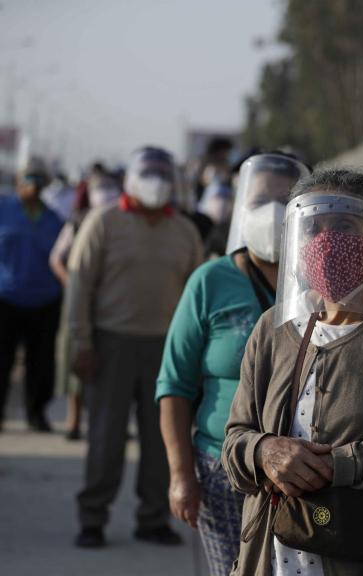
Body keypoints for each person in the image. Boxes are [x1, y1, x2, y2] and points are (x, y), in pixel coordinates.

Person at [222, 169, 363, 576]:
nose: (326, 241)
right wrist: (264, 452)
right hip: (271, 558)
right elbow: (235, 441)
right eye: (313, 228)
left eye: (343, 225)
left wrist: (339, 465)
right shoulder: (274, 328)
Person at [155, 154, 308, 576]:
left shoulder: (318, 281)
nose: (272, 210)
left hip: (302, 474)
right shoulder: (210, 281)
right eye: (260, 199)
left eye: (284, 198)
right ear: (242, 207)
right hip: (222, 471)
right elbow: (174, 386)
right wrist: (181, 475)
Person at [68, 146, 205, 548]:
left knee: (162, 441)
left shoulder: (184, 230)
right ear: (130, 179)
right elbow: (79, 286)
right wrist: (81, 341)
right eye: (149, 173)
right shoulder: (103, 221)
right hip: (110, 344)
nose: (156, 181)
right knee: (105, 438)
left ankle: (153, 518)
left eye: (163, 173)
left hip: (166, 349)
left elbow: (196, 294)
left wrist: (195, 353)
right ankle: (93, 517)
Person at [50, 165, 122, 440]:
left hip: (110, 308)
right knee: (77, 363)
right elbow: (57, 259)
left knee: (110, 369)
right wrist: (75, 285)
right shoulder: (77, 222)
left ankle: (102, 424)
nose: (105, 193)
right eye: (99, 188)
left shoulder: (123, 222)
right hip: (81, 305)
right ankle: (74, 420)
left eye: (109, 187)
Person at [0, 157, 63, 432]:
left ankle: (36, 413)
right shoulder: (4, 209)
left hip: (45, 300)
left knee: (40, 364)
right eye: (28, 179)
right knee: (2, 360)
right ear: (18, 181)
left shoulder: (54, 219)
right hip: (6, 297)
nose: (33, 186)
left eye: (38, 180)